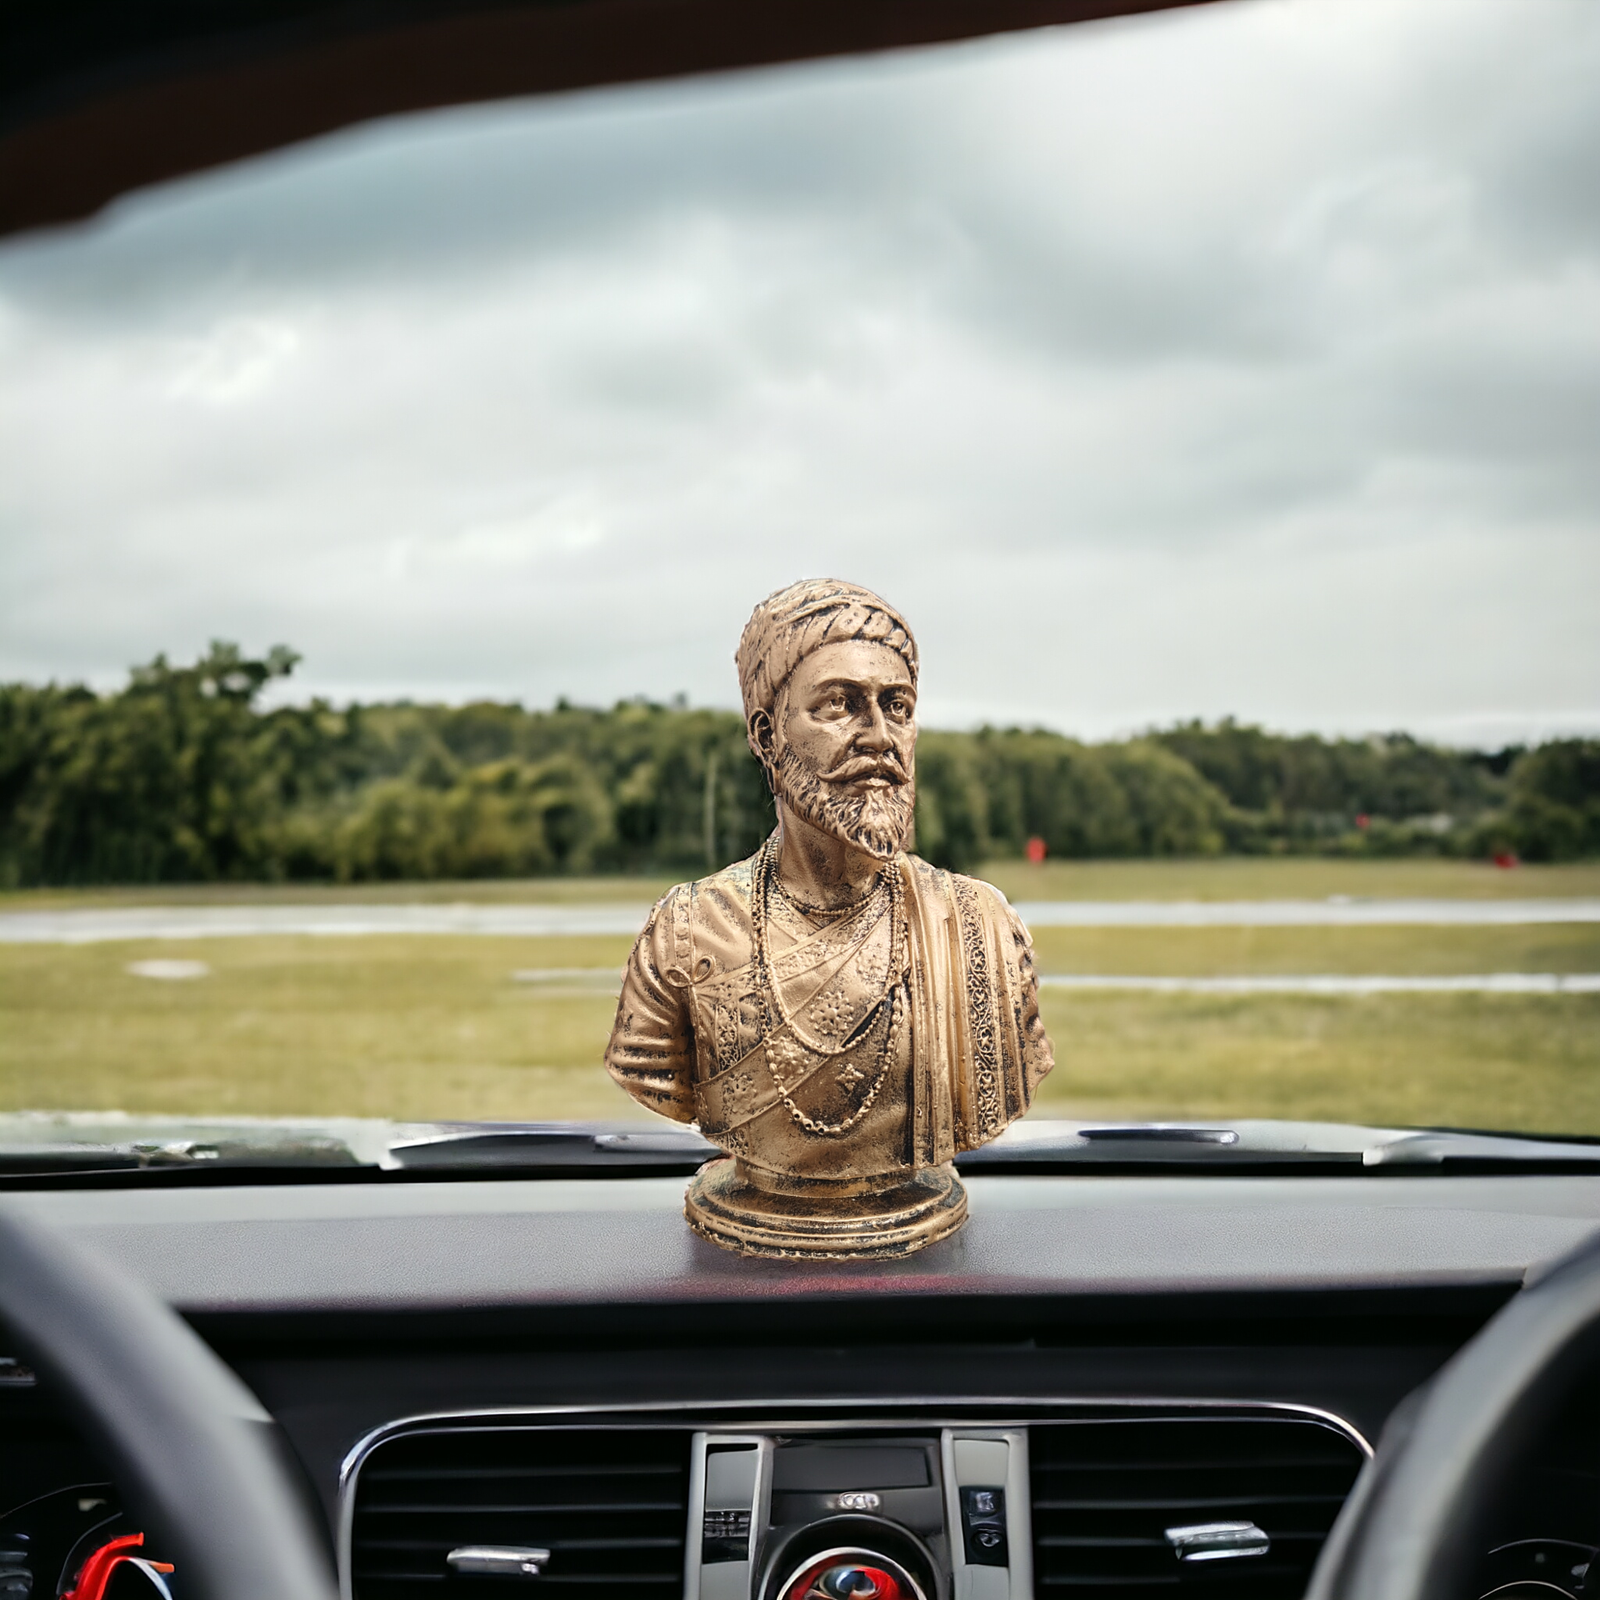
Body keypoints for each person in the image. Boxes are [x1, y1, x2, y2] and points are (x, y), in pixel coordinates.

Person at [605, 578, 1053, 1257]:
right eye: (840, 704)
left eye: (897, 706)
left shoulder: (979, 928)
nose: (879, 736)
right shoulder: (685, 933)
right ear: (766, 734)